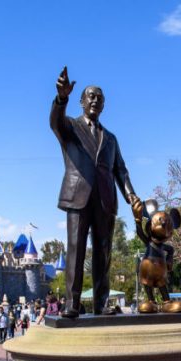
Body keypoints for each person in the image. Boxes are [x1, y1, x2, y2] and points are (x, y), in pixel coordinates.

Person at [51, 66, 143, 317]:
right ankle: (72, 303)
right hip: (77, 197)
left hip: (105, 201)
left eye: (99, 98)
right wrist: (61, 98)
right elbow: (55, 122)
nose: (95, 100)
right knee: (76, 251)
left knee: (103, 253)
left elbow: (120, 170)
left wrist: (131, 196)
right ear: (81, 102)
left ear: (104, 105)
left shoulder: (111, 138)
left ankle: (102, 303)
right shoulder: (70, 127)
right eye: (90, 96)